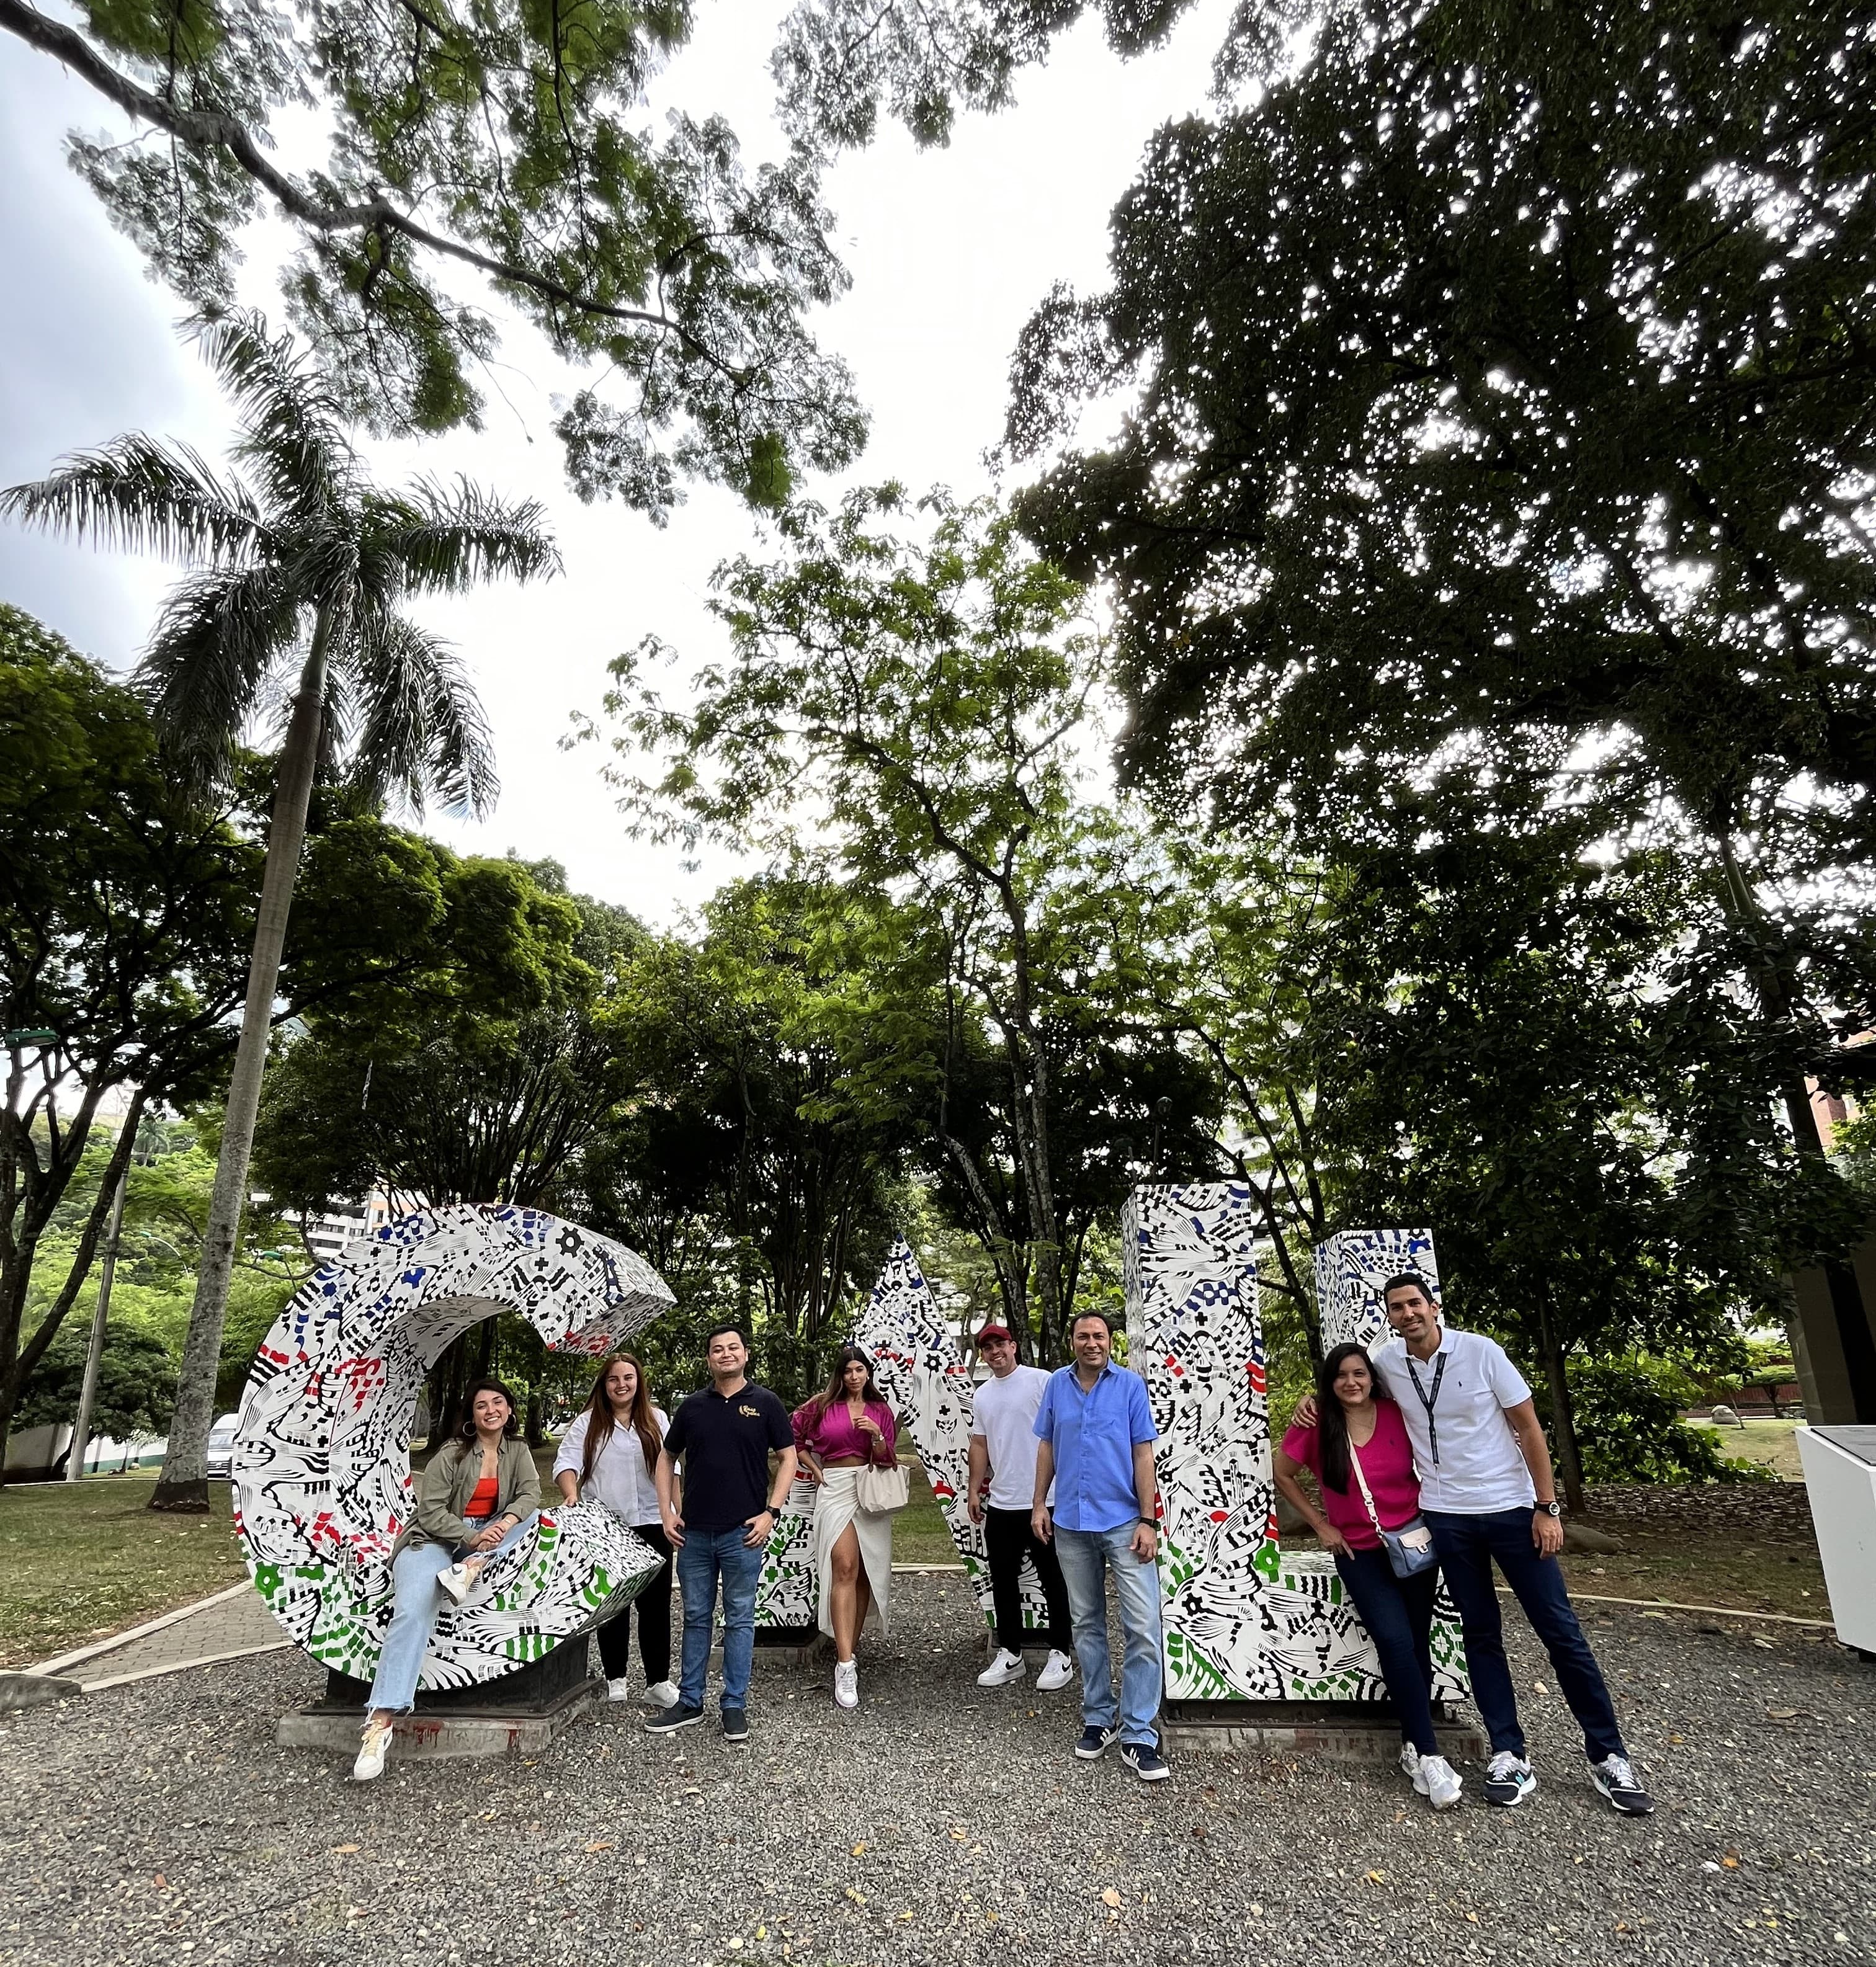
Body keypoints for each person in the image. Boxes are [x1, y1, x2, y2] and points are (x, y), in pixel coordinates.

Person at [1303, 1274, 1653, 1816]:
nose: (1407, 1314)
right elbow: (1347, 1386)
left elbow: (1530, 1428)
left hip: (1513, 1511)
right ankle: (1508, 1752)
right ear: (1390, 1316)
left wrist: (1547, 1506)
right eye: (1397, 1307)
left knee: (1560, 1631)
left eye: (1415, 1303)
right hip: (1446, 1519)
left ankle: (1609, 1754)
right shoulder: (1389, 1362)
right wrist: (1311, 1399)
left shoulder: (1483, 1352)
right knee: (1481, 1634)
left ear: (1433, 1306)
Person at [1275, 1343, 1463, 1809]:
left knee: (1417, 1643)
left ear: (1372, 1377)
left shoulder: (1397, 1413)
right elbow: (1282, 1473)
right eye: (1341, 1375)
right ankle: (1432, 1754)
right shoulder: (1317, 1423)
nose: (1351, 1382)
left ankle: (1411, 1745)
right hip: (1361, 1552)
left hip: (1415, 1544)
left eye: (1359, 1373)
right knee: (1396, 1642)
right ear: (1329, 1381)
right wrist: (1320, 1524)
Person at [353, 1378, 541, 1781]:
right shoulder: (452, 1454)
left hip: (486, 1540)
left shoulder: (519, 1451)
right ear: (471, 1416)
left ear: (509, 1410)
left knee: (528, 1518)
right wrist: (471, 1536)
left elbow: (529, 1495)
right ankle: (380, 1721)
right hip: (434, 1540)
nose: (490, 1409)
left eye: (498, 1402)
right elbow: (431, 1511)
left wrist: (503, 1521)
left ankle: (471, 1567)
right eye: (481, 1405)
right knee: (413, 1609)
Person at [1031, 1309, 1169, 1782]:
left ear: (1111, 1341)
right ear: (1072, 1340)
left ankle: (1138, 1732)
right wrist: (1038, 1504)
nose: (1092, 1342)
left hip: (1124, 1523)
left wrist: (1148, 1520)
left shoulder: (1130, 1386)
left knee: (1143, 1626)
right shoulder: (1057, 1386)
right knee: (1086, 1622)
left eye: (1100, 1336)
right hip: (1070, 1520)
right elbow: (1047, 1446)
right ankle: (1099, 1717)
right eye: (1083, 1335)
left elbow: (1142, 1453)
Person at [648, 1324, 797, 1743]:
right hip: (694, 1533)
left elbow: (789, 1458)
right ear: (709, 1358)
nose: (726, 1354)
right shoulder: (693, 1406)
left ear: (745, 1354)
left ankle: (733, 1703)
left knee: (740, 1619)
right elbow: (666, 1456)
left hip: (742, 1533)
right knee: (695, 1617)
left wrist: (772, 1511)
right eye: (717, 1349)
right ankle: (690, 1700)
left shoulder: (766, 1403)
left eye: (733, 1347)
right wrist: (667, 1511)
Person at [553, 1352, 677, 1708]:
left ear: (639, 1382)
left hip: (654, 1520)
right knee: (614, 1605)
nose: (621, 1385)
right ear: (603, 1385)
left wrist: (677, 1512)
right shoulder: (587, 1424)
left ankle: (658, 1681)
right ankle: (616, 1678)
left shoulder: (657, 1420)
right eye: (613, 1379)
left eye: (628, 1378)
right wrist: (572, 1493)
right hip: (607, 1526)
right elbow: (566, 1462)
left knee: (656, 1606)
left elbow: (673, 1468)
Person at [965, 1323, 1075, 1692]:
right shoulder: (982, 1396)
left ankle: (1061, 1652)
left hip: (1046, 1500)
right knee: (1003, 1580)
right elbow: (980, 1444)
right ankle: (1010, 1652)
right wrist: (973, 1490)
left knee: (1053, 1578)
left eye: (1000, 1345)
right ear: (983, 1355)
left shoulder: (1042, 1382)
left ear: (1014, 1347)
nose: (995, 1352)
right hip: (1003, 1501)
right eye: (987, 1348)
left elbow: (1064, 1431)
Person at [791, 1345, 900, 1710]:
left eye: (860, 1370)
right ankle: (845, 1665)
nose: (854, 1377)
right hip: (835, 1487)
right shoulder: (821, 1405)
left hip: (870, 1487)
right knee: (844, 1566)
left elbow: (888, 1458)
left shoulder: (881, 1410)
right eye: (847, 1371)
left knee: (865, 1572)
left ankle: (849, 1649)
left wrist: (877, 1436)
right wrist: (814, 1467)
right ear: (840, 1374)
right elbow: (794, 1437)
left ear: (868, 1373)